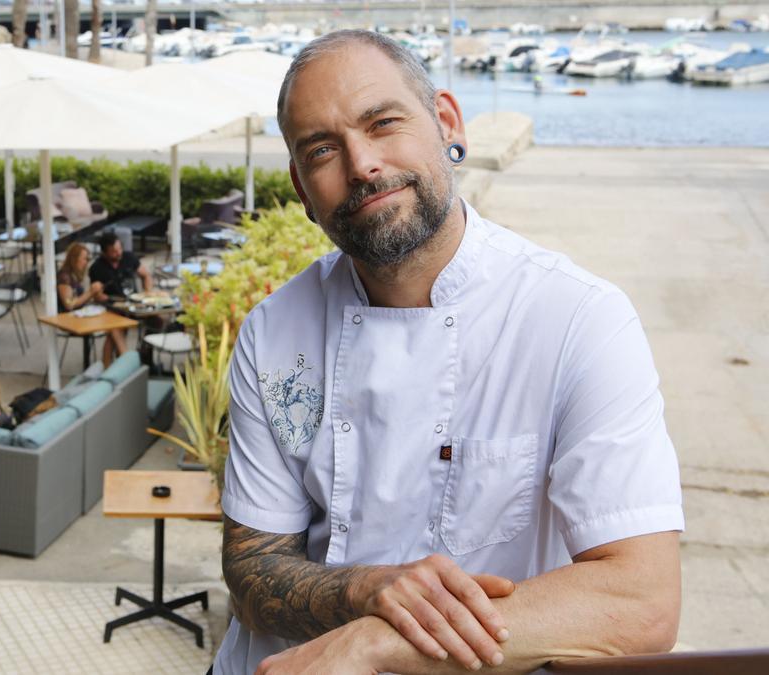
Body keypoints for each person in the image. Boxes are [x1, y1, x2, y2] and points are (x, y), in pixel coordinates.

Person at [215, 30, 683, 675]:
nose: (362, 165)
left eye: (383, 123)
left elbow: (640, 602)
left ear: (446, 123)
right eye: (322, 150)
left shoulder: (576, 318)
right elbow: (250, 571)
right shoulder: (274, 332)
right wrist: (364, 588)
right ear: (301, 188)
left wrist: (375, 641)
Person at [88, 232, 155, 365]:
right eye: (114, 252)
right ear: (104, 252)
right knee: (115, 326)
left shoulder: (129, 257)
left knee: (156, 320)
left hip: (134, 304)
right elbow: (96, 295)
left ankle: (144, 357)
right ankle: (122, 363)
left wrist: (147, 292)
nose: (119, 253)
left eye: (120, 249)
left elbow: (146, 275)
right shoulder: (97, 268)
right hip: (112, 307)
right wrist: (102, 297)